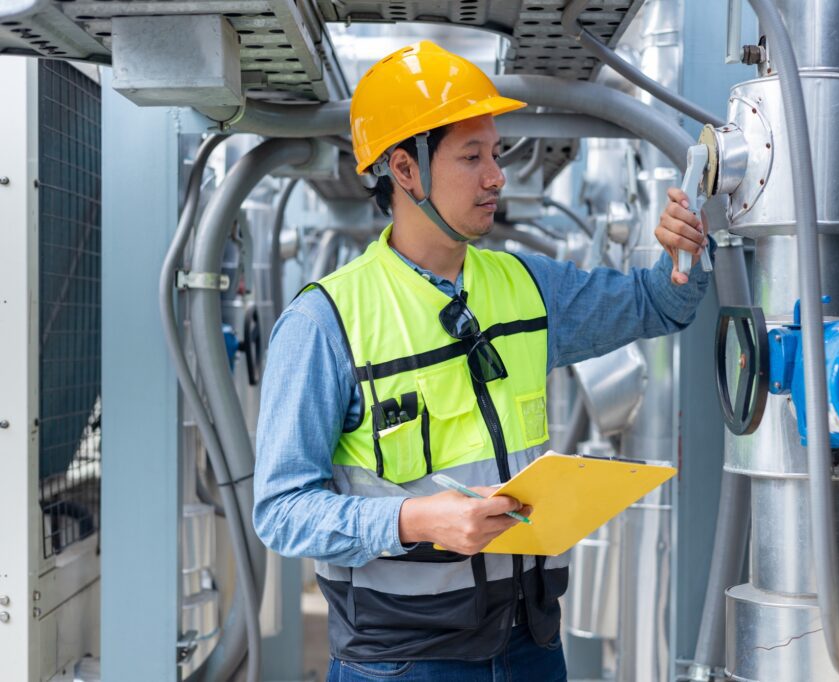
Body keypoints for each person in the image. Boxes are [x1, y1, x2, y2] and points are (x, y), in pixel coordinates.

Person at [254, 40, 710, 682]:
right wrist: (415, 520)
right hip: (403, 661)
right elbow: (282, 510)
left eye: (494, 154)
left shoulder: (527, 285)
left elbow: (656, 305)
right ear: (404, 170)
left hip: (531, 644)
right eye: (471, 157)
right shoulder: (325, 322)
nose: (495, 175)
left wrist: (681, 254)